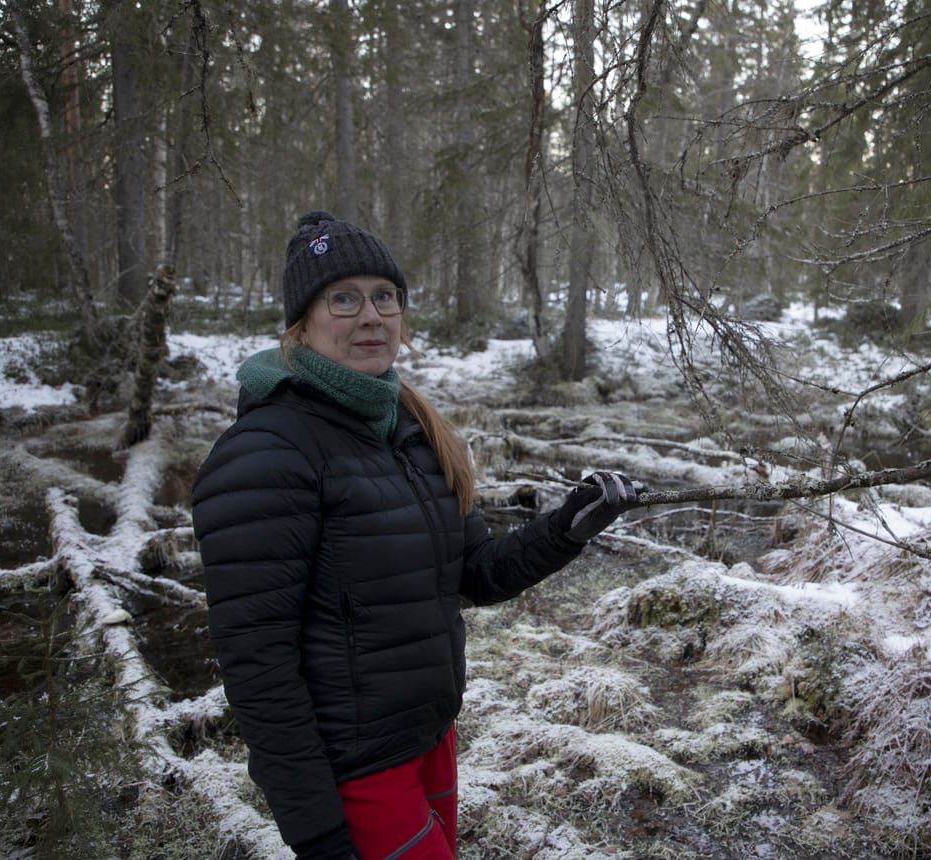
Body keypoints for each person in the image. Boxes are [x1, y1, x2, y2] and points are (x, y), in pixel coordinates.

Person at [191, 210, 645, 859]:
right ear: (302, 322)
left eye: (385, 297)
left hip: (429, 739)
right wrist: (317, 831)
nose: (371, 315)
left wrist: (567, 528)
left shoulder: (409, 429)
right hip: (358, 771)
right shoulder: (265, 454)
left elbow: (475, 573)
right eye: (343, 298)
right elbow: (259, 671)